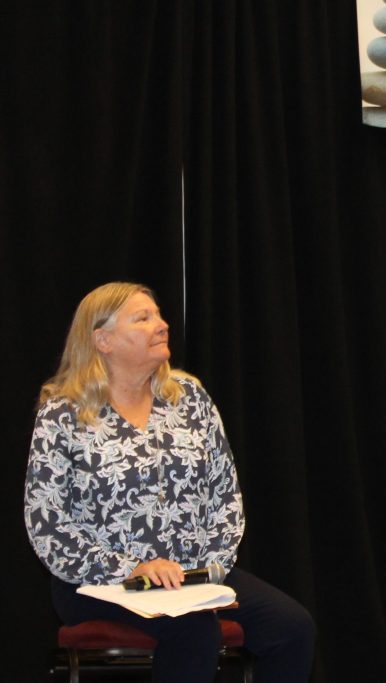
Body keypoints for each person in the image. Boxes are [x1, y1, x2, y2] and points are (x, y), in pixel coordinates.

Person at [24, 282, 315, 682]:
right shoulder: (62, 414)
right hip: (99, 581)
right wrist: (129, 568)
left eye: (158, 315)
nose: (161, 325)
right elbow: (48, 524)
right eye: (142, 318)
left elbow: (225, 493)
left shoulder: (189, 397)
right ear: (103, 340)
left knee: (292, 627)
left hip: (193, 575)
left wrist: (210, 566)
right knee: (194, 630)